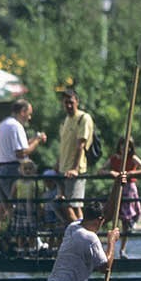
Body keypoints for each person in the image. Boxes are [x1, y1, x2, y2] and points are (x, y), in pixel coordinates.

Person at [0, 99, 48, 254]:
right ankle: (32, 244)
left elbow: (18, 147)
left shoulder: (4, 124)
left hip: (0, 169)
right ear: (22, 112)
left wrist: (33, 140)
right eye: (29, 114)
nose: (29, 118)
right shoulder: (16, 126)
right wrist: (37, 140)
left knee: (1, 209)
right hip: (11, 170)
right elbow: (21, 152)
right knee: (22, 207)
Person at [103, 137, 141, 258]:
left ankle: (122, 250)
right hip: (117, 189)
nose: (125, 148)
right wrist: (111, 173)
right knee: (113, 216)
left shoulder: (132, 158)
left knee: (126, 221)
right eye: (123, 145)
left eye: (128, 146)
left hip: (129, 189)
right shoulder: (114, 158)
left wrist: (130, 173)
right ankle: (110, 250)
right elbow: (100, 170)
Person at [56, 87, 96, 225]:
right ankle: (77, 236)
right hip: (63, 169)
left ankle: (84, 236)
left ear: (77, 102)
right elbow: (63, 146)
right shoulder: (66, 120)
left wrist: (75, 168)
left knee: (74, 205)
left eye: (71, 102)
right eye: (65, 102)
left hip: (75, 170)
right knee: (61, 204)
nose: (68, 105)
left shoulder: (83, 118)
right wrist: (57, 164)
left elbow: (81, 145)